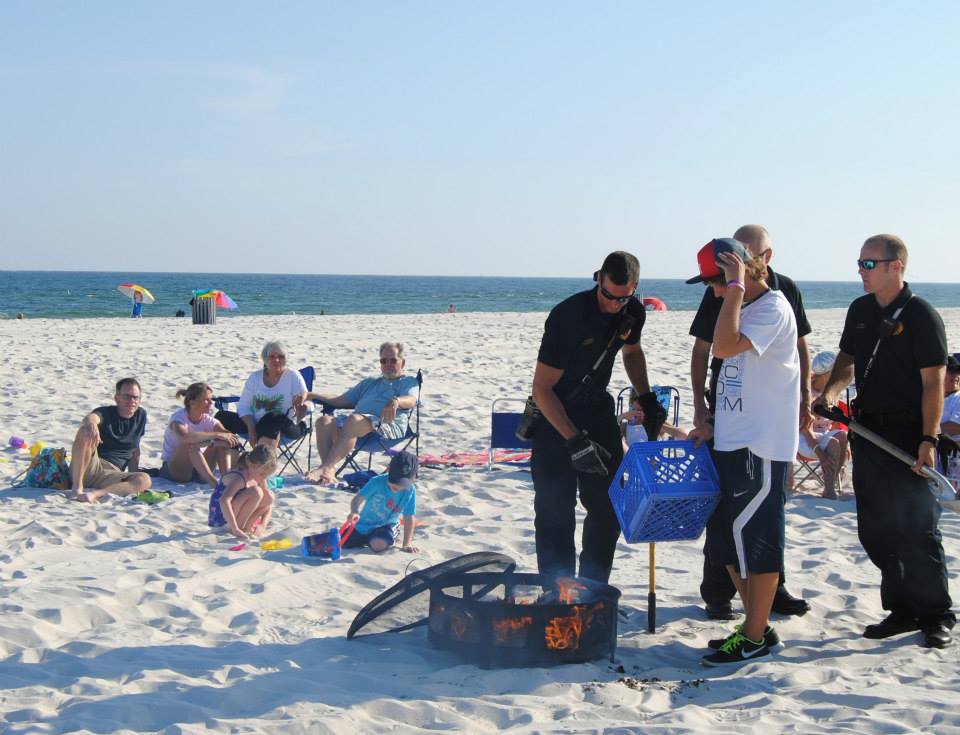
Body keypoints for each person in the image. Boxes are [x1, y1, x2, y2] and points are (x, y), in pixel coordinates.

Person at [815, 234, 954, 649]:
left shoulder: (922, 316)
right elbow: (845, 362)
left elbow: (934, 385)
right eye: (860, 263)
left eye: (869, 264)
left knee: (916, 526)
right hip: (866, 431)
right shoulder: (859, 311)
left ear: (897, 266)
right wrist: (832, 393)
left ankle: (936, 613)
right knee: (875, 528)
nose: (861, 270)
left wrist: (929, 438)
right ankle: (901, 608)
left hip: (910, 435)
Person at [686, 237, 800, 666]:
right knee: (725, 540)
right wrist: (711, 423)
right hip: (732, 439)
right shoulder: (738, 306)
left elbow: (725, 347)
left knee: (758, 537)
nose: (713, 291)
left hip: (762, 444)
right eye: (711, 284)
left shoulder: (772, 307)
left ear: (742, 269)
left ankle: (754, 635)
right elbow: (730, 371)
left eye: (716, 281)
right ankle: (758, 627)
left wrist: (734, 287)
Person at [530, 251, 664, 588]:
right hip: (554, 416)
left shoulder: (632, 311)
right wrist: (574, 442)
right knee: (554, 512)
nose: (615, 305)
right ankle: (556, 590)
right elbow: (542, 389)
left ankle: (592, 589)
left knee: (607, 508)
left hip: (597, 411)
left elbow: (632, 352)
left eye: (624, 297)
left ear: (634, 289)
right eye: (609, 296)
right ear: (598, 279)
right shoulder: (567, 317)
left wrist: (646, 396)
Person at [305, 342, 419, 484]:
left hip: (386, 428)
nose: (388, 364)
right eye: (384, 361)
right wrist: (313, 395)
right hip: (355, 429)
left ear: (402, 363)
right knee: (324, 421)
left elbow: (412, 400)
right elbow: (340, 400)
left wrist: (396, 401)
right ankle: (328, 471)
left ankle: (325, 467)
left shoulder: (409, 382)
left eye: (393, 360)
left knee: (354, 420)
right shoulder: (370, 382)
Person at [67, 378, 152, 503]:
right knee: (85, 431)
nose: (132, 401)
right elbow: (92, 417)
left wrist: (134, 472)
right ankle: (77, 487)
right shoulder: (106, 412)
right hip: (90, 466)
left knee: (144, 480)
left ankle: (95, 494)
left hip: (111, 474)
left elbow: (135, 447)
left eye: (136, 397)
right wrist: (92, 424)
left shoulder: (141, 415)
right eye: (127, 397)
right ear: (117, 398)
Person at [215, 341, 308, 450]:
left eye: (281, 357)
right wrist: (251, 428)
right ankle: (231, 460)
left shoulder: (293, 375)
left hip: (287, 426)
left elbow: (303, 395)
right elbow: (243, 407)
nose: (277, 360)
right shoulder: (255, 378)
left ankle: (263, 462)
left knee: (273, 417)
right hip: (256, 424)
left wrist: (302, 403)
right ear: (265, 359)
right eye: (272, 356)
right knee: (221, 417)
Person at [160, 383, 242, 486]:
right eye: (206, 400)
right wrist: (215, 435)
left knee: (223, 441)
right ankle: (214, 484)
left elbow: (229, 436)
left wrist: (215, 440)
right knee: (189, 444)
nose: (211, 403)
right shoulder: (178, 419)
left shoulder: (207, 419)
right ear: (192, 402)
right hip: (176, 470)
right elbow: (184, 438)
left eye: (211, 399)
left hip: (200, 467)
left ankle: (226, 480)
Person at [797, 351, 850, 499]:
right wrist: (821, 454)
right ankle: (829, 490)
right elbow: (805, 429)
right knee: (833, 443)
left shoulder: (832, 391)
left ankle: (832, 481)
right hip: (802, 438)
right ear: (827, 374)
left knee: (843, 436)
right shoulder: (806, 393)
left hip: (823, 435)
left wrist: (844, 445)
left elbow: (834, 424)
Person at [344, 451, 420, 553]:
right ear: (388, 470)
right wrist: (354, 511)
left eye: (402, 484)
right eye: (394, 482)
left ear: (413, 479)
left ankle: (379, 538)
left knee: (378, 545)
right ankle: (367, 539)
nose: (397, 487)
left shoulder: (410, 490)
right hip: (363, 524)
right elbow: (357, 499)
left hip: (386, 525)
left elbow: (409, 517)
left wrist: (406, 544)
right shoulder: (376, 482)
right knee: (343, 542)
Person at [208, 444, 277, 540]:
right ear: (252, 466)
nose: (263, 478)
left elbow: (268, 505)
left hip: (234, 513)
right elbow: (224, 500)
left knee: (269, 496)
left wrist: (262, 525)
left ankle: (248, 527)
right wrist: (235, 528)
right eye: (262, 474)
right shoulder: (239, 478)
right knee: (256, 492)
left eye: (266, 476)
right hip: (221, 519)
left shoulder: (256, 476)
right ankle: (238, 528)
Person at [619, 388, 688, 447]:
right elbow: (609, 433)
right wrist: (622, 416)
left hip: (653, 461)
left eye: (642, 410)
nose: (638, 414)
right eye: (634, 410)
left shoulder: (657, 424)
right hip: (632, 461)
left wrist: (661, 427)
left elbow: (685, 436)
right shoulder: (628, 426)